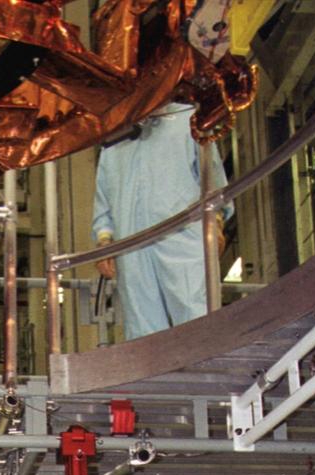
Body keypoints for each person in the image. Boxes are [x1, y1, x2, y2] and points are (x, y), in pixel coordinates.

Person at [91, 103, 231, 340]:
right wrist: (104, 240)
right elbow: (103, 201)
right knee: (142, 329)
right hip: (132, 247)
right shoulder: (116, 137)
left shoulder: (190, 121)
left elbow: (213, 182)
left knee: (196, 318)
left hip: (184, 240)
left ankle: (206, 362)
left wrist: (216, 223)